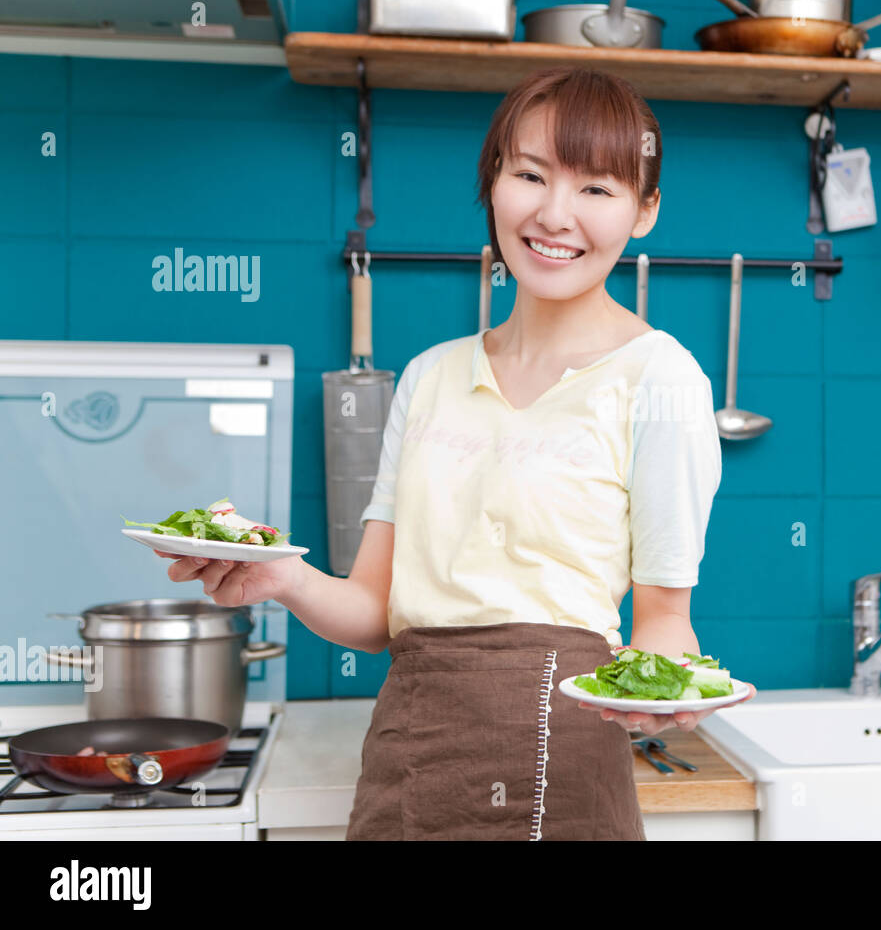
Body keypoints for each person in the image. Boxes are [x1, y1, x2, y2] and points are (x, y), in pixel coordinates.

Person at [153, 65, 751, 840]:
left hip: (561, 760)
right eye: (529, 175)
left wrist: (657, 694)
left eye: (597, 189)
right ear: (493, 184)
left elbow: (666, 619)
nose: (554, 214)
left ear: (644, 211)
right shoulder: (432, 377)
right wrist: (282, 577)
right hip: (409, 757)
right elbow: (377, 612)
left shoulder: (660, 377)